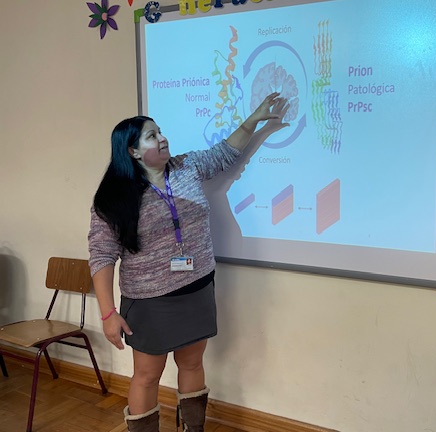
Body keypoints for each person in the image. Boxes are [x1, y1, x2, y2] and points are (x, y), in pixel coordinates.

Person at [88, 92, 289, 432]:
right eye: (152, 136)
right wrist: (108, 313)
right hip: (150, 300)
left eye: (160, 131)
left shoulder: (187, 167)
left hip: (196, 288)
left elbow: (225, 152)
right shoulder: (112, 198)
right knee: (147, 376)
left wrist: (254, 120)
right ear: (132, 151)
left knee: (193, 364)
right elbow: (102, 255)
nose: (162, 138)